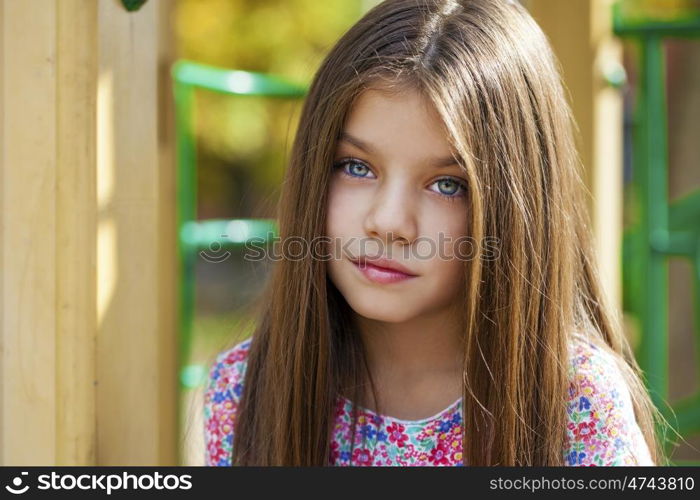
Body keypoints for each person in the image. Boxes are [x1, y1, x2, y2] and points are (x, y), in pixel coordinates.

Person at [203, 0, 668, 466]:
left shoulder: (575, 404)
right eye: (356, 167)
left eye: (448, 185)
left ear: (514, 207)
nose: (388, 222)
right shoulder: (245, 389)